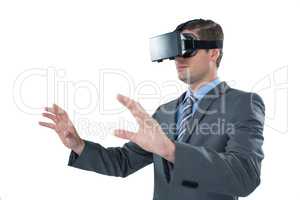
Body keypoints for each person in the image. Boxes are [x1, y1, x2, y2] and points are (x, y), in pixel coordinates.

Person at [39, 18, 265, 200]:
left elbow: (245, 177)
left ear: (213, 53)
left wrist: (172, 151)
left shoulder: (243, 104)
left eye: (186, 48)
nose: (178, 58)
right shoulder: (165, 111)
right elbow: (124, 162)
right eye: (175, 50)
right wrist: (78, 144)